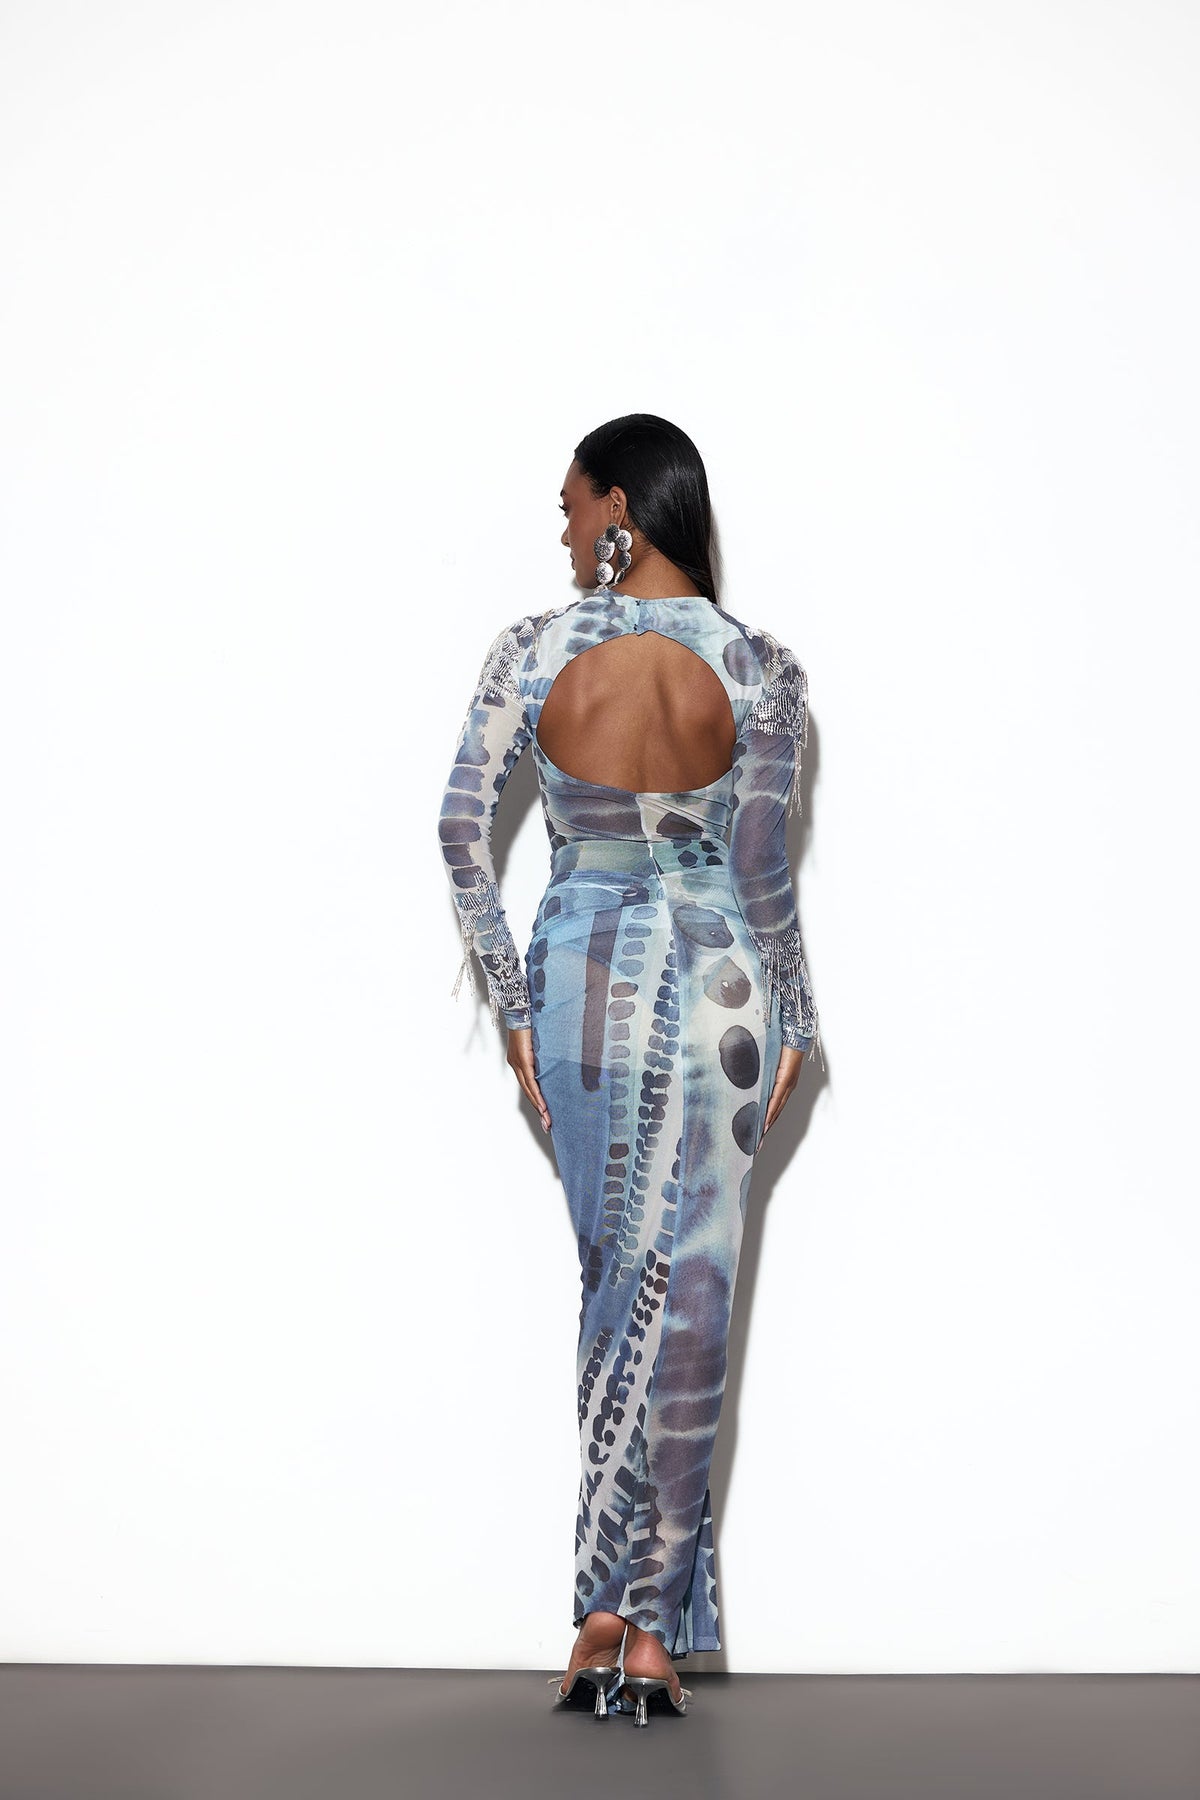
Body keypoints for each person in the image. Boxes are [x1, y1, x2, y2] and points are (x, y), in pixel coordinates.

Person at [436, 414, 821, 1726]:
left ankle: (599, 1615)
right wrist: (799, 1014)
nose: (561, 533)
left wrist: (511, 1005)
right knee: (695, 1287)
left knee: (615, 1283)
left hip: (584, 980)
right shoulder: (759, 667)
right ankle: (655, 1636)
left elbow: (460, 833)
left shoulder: (534, 652)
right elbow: (759, 867)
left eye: (568, 506)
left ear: (619, 509)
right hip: (720, 983)